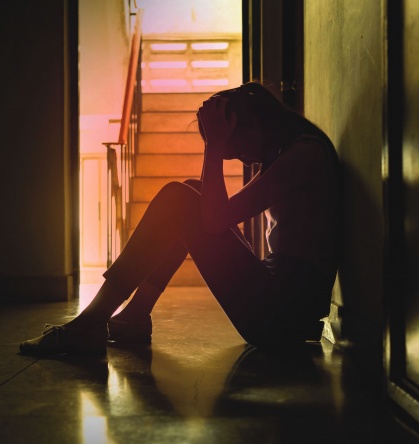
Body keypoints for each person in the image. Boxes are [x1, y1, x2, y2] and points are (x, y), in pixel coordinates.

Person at [20, 81, 340, 355]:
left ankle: (90, 323)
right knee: (191, 190)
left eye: (237, 150)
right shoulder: (299, 150)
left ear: (254, 123)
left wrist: (213, 146)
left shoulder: (304, 154)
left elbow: (214, 220)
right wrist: (215, 145)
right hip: (281, 308)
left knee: (179, 199)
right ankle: (134, 316)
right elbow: (216, 214)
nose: (245, 160)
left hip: (280, 317)